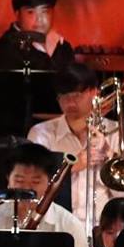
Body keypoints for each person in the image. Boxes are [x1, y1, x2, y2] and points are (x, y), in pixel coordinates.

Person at [0, 141, 90, 247]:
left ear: (49, 183)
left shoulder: (70, 226)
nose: (27, 188)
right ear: (8, 180)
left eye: (35, 181)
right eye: (19, 180)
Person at [29, 61, 116, 229]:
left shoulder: (114, 131)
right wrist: (73, 166)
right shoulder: (41, 133)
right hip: (56, 225)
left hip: (101, 226)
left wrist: (109, 154)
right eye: (63, 96)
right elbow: (33, 185)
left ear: (94, 93)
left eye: (76, 95)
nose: (69, 103)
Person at [0, 0, 75, 72]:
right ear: (17, 14)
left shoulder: (62, 46)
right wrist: (49, 55)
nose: (39, 19)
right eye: (31, 12)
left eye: (45, 11)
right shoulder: (3, 50)